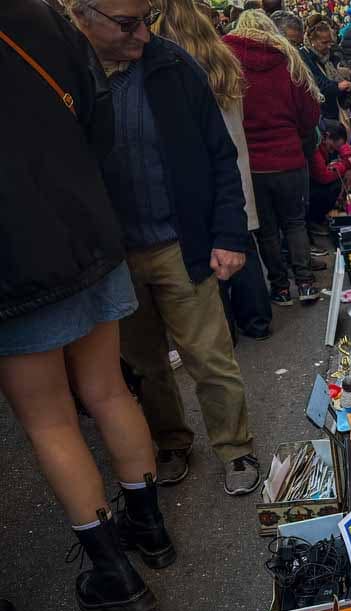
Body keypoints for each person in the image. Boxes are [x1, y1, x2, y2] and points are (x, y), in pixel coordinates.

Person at [1, 0, 173, 611]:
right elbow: (99, 121)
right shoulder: (44, 18)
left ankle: (113, 573)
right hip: (88, 229)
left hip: (16, 259)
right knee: (107, 393)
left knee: (50, 420)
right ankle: (150, 529)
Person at [69, 0, 262, 496]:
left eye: (147, 19)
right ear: (83, 16)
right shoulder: (68, 72)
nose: (143, 35)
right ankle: (171, 441)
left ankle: (235, 448)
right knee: (143, 364)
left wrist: (228, 235)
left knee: (209, 357)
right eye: (128, 24)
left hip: (183, 244)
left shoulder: (174, 66)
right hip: (115, 256)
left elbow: (222, 156)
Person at [151, 0, 273, 342]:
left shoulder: (171, 69)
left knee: (207, 255)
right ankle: (257, 320)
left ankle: (225, 330)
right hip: (236, 159)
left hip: (200, 171)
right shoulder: (223, 60)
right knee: (242, 241)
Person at [225, 10, 322, 306]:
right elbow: (310, 112)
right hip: (289, 156)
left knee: (266, 230)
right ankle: (305, 283)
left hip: (252, 163)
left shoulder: (227, 62)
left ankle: (280, 288)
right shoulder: (288, 59)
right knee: (295, 222)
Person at [300, 20, 351, 123]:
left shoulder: (331, 58)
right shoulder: (304, 56)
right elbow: (316, 83)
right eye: (324, 42)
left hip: (334, 113)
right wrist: (338, 86)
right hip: (319, 115)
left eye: (330, 42)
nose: (328, 46)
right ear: (312, 40)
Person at [308, 120, 351, 232]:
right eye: (333, 147)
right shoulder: (315, 145)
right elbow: (322, 176)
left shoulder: (327, 135)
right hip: (309, 188)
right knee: (336, 184)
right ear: (327, 136)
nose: (333, 150)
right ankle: (315, 220)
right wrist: (346, 164)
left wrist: (347, 158)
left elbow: (343, 146)